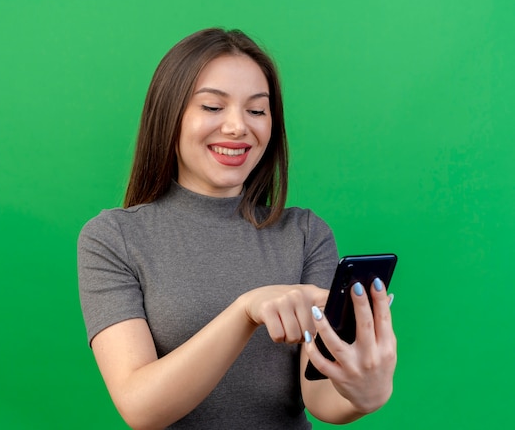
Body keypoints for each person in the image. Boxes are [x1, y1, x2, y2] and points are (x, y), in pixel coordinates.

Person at [78, 28, 396, 429]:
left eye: (257, 110)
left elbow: (318, 397)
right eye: (212, 107)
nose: (237, 127)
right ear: (169, 114)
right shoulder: (113, 238)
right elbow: (141, 407)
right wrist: (247, 310)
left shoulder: (305, 234)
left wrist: (363, 393)